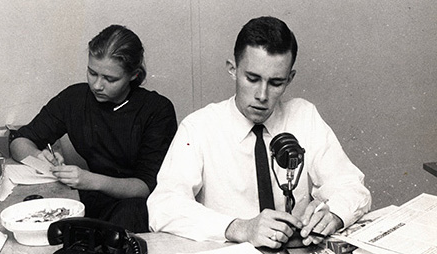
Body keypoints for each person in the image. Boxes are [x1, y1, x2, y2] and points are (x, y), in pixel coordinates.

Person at [147, 16, 371, 249]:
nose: (262, 95)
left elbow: (352, 187)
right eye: (252, 79)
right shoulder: (199, 127)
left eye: (276, 83)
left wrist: (333, 215)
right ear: (232, 69)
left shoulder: (304, 116)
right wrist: (239, 227)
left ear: (290, 79)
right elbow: (163, 205)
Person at [9, 24, 177, 233]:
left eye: (110, 79)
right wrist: (38, 156)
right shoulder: (74, 99)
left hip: (136, 206)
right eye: (92, 72)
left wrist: (88, 179)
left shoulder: (156, 110)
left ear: (133, 75)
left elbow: (145, 187)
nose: (97, 85)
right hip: (93, 196)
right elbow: (19, 140)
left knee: (130, 214)